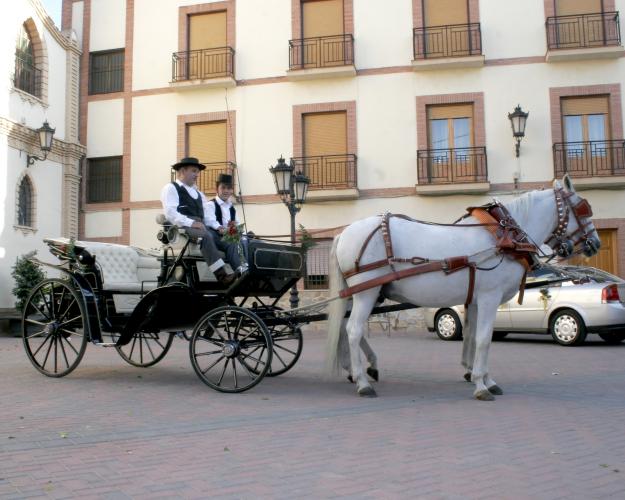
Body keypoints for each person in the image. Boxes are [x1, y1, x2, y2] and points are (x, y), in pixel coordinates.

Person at [160, 157, 241, 286]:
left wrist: (220, 228)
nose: (197, 175)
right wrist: (191, 223)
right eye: (194, 171)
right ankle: (222, 276)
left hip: (201, 226)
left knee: (230, 240)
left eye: (197, 172)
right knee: (206, 236)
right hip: (184, 225)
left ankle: (241, 272)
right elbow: (170, 213)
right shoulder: (171, 188)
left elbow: (207, 217)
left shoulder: (199, 193)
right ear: (182, 170)